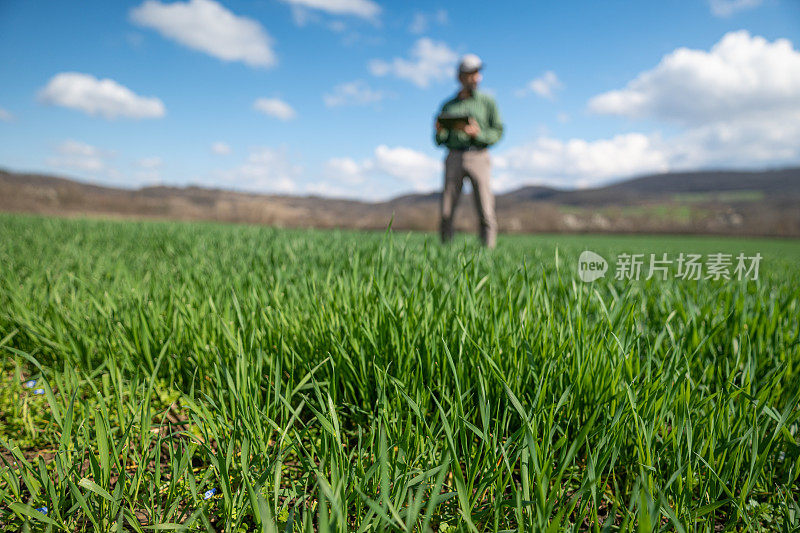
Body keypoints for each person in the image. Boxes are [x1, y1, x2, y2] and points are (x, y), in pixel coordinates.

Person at [434, 54, 503, 248]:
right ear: (461, 77)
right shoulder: (448, 105)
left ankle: (488, 252)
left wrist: (478, 134)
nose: (476, 77)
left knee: (485, 208)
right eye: (471, 74)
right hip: (454, 155)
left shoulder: (488, 102)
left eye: (478, 73)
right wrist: (439, 132)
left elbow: (498, 131)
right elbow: (440, 140)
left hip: (479, 156)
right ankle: (445, 251)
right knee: (447, 208)